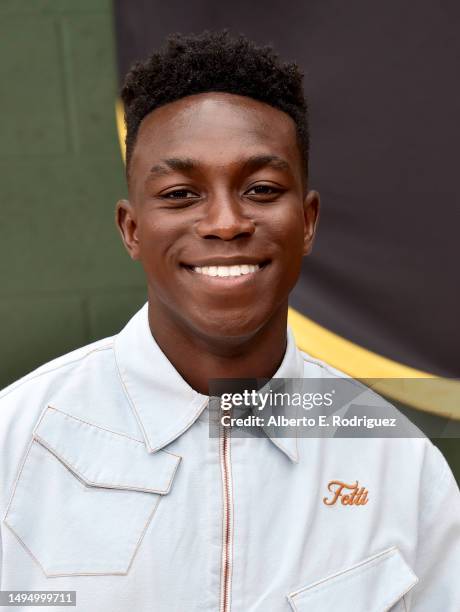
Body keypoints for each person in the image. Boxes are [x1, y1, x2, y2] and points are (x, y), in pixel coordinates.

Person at [0, 30, 459, 612]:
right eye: (180, 193)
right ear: (132, 229)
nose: (225, 222)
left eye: (262, 188)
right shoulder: (15, 441)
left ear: (308, 221)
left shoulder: (401, 466)